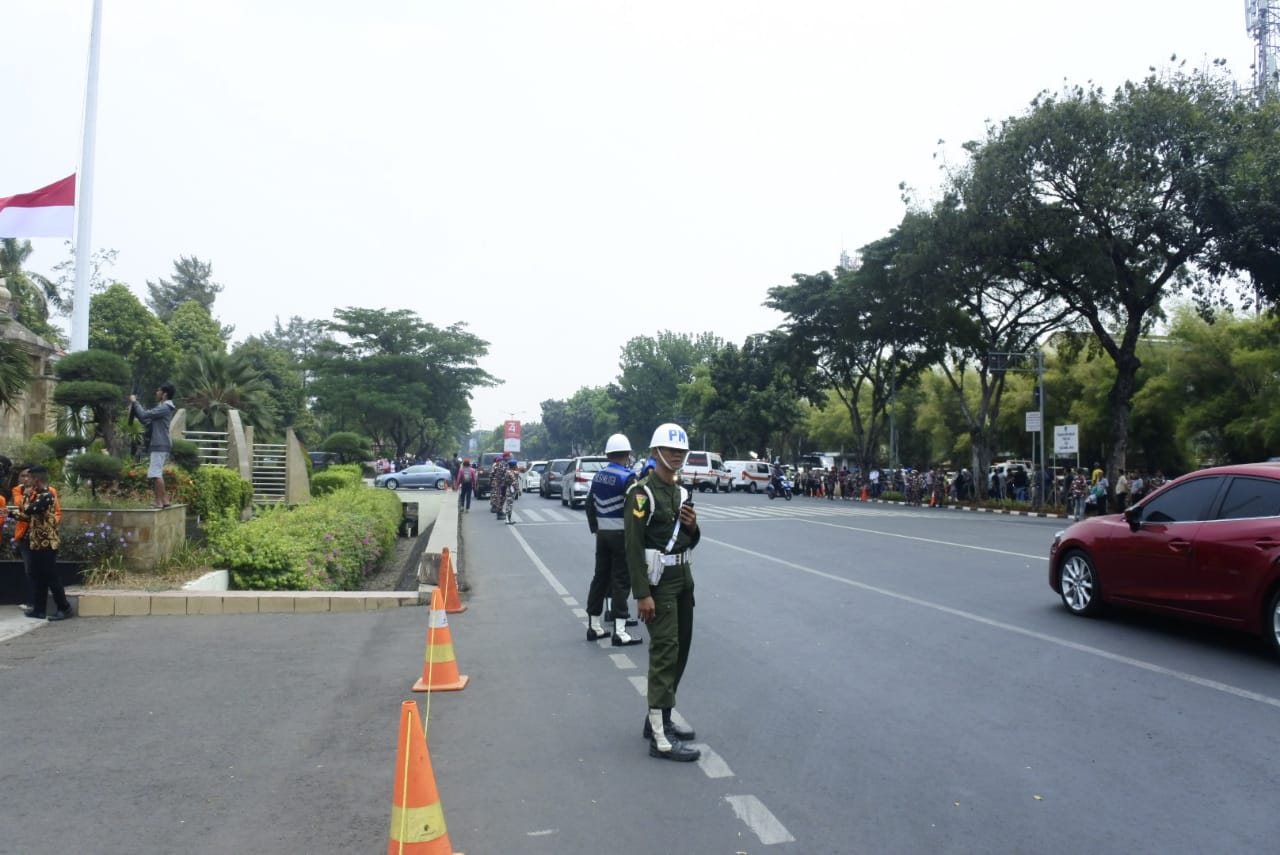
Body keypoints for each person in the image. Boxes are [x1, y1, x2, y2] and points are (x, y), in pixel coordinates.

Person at [625, 422, 701, 762]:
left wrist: (692, 527)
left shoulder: (681, 492)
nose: (678, 456)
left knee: (681, 651)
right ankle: (661, 738)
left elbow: (690, 540)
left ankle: (660, 718)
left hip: (683, 578)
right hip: (659, 584)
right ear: (655, 453)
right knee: (665, 653)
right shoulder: (641, 494)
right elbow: (633, 546)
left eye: (682, 451)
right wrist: (642, 593)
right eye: (671, 450)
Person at [585, 434, 640, 644]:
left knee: (600, 578)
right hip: (621, 535)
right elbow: (638, 508)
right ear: (627, 454)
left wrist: (595, 528)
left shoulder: (598, 476)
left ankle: (594, 626)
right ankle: (620, 631)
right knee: (621, 580)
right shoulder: (628, 477)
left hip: (602, 535)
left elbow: (590, 504)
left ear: (608, 454)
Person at [15, 465, 71, 621]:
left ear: (37, 479)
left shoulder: (47, 495)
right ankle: (39, 609)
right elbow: (28, 517)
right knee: (40, 576)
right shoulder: (38, 495)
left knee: (51, 576)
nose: (28, 481)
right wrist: (10, 514)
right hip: (37, 543)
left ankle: (64, 607)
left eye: (30, 478)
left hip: (47, 544)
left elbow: (29, 510)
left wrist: (25, 497)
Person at [129, 383, 177, 508]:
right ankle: (164, 500)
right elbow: (146, 420)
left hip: (160, 444)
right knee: (157, 472)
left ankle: (159, 501)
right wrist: (136, 407)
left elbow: (145, 415)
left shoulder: (164, 408)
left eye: (158, 390)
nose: (156, 393)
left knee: (155, 473)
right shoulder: (163, 407)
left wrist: (135, 402)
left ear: (164, 394)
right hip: (160, 443)